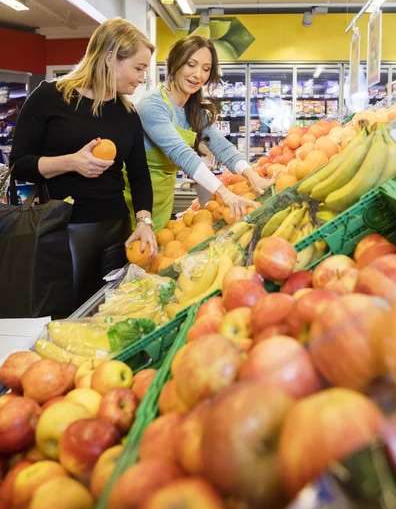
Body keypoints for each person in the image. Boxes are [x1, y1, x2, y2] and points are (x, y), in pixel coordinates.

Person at [10, 17, 158, 311]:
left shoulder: (127, 114)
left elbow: (139, 174)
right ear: (109, 58)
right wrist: (71, 162)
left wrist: (144, 221)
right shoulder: (49, 98)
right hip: (63, 231)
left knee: (108, 313)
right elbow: (19, 165)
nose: (142, 78)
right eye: (139, 68)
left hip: (116, 229)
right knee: (64, 316)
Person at [135, 35, 273, 232]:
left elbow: (222, 146)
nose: (198, 75)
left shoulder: (194, 109)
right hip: (136, 204)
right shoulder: (152, 104)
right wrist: (224, 193)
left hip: (163, 201)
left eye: (206, 69)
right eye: (191, 64)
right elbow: (181, 153)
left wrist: (253, 176)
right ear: (175, 62)